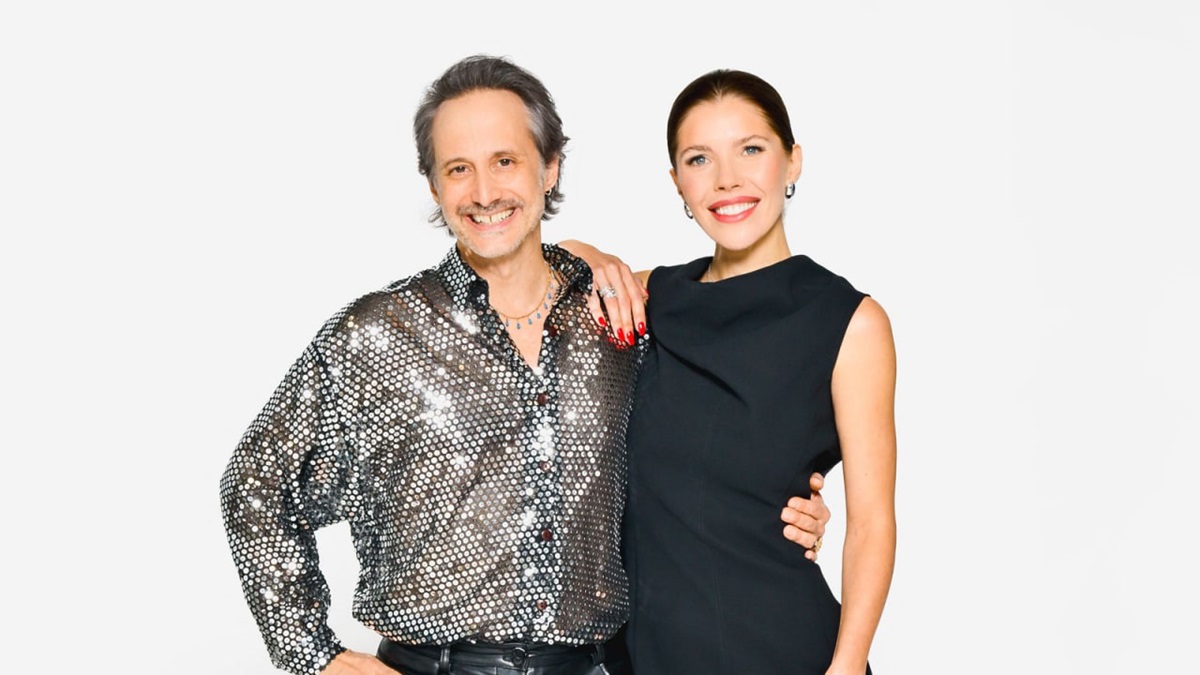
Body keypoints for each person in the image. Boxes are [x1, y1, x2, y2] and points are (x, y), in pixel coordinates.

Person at [220, 55, 831, 675]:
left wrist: (782, 506)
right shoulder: (378, 334)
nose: (485, 193)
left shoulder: (619, 322)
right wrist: (317, 655)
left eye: (505, 161)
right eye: (459, 169)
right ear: (434, 186)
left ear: (550, 167)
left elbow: (696, 462)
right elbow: (254, 486)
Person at [564, 69, 897, 674]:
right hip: (642, 654)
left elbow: (872, 523)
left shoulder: (851, 323)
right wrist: (598, 257)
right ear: (676, 181)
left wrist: (846, 667)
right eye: (699, 159)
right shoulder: (647, 298)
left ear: (793, 161)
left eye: (751, 149)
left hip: (778, 648)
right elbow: (534, 265)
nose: (727, 179)